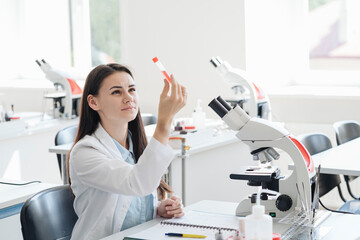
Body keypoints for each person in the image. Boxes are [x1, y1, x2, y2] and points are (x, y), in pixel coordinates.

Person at [68, 63, 187, 240]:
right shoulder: (85, 153)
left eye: (131, 90)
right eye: (117, 92)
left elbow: (131, 202)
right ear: (94, 102)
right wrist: (164, 123)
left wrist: (158, 209)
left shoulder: (136, 145)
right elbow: (136, 184)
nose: (128, 97)